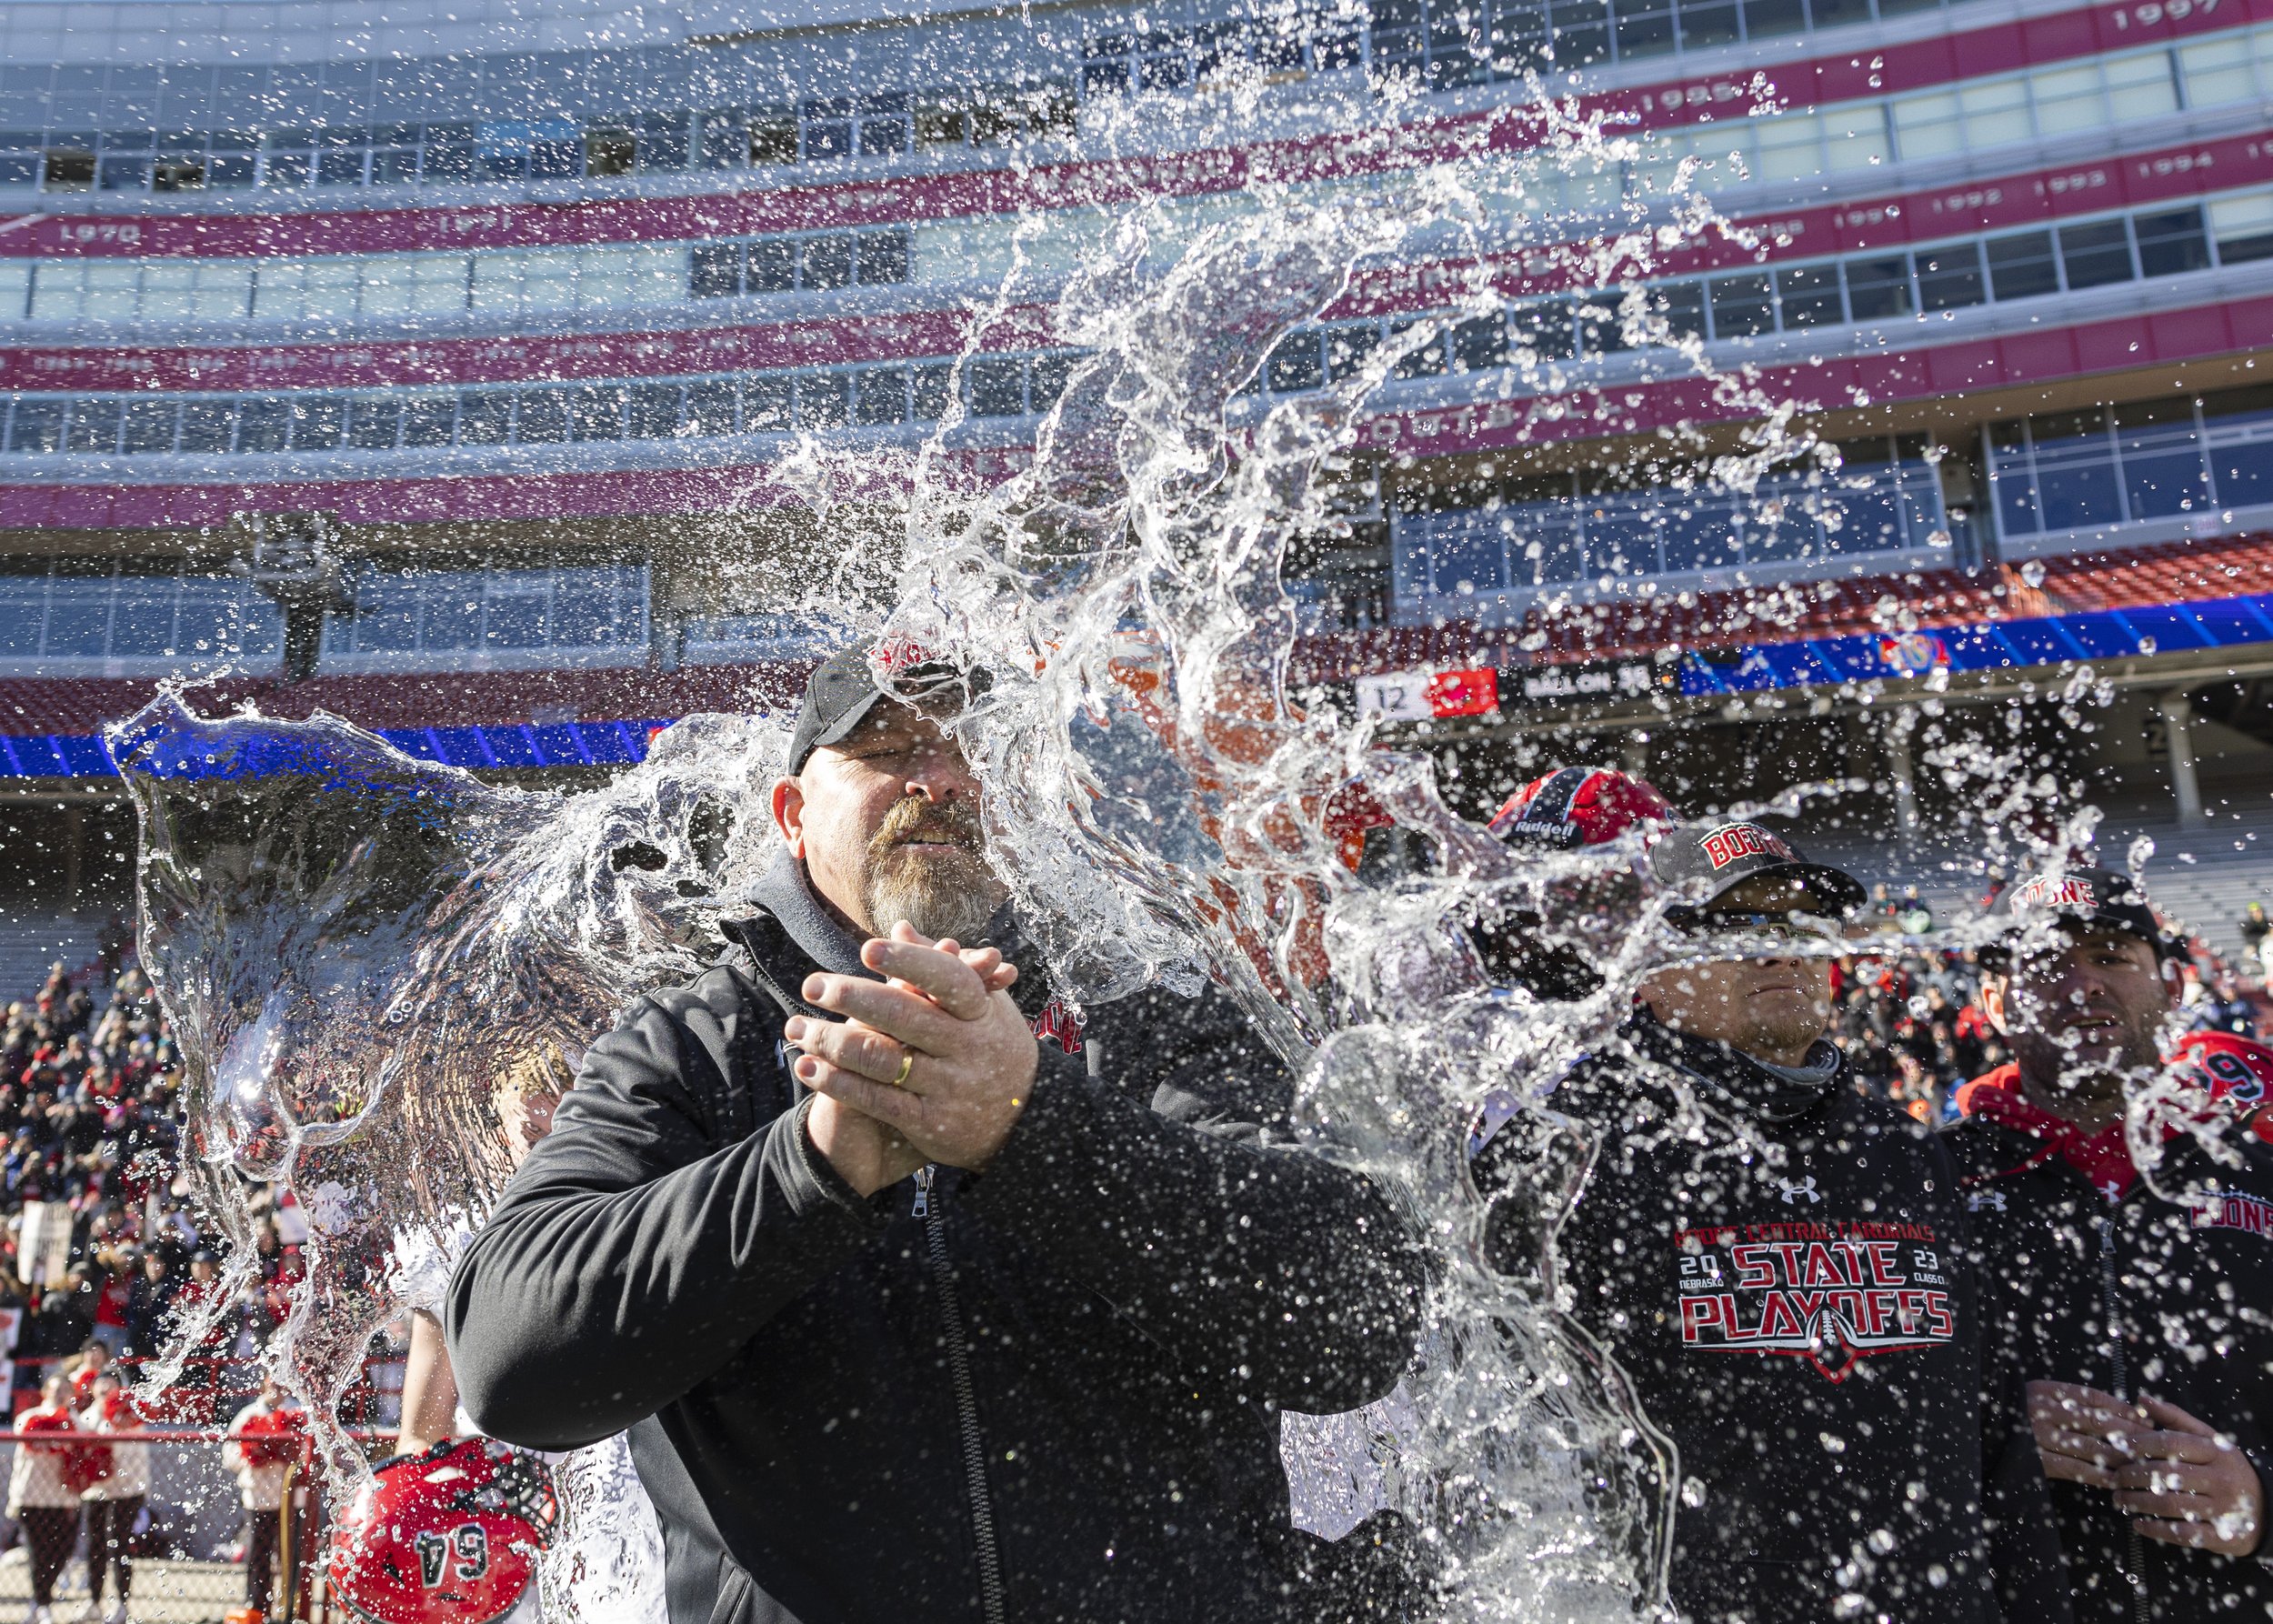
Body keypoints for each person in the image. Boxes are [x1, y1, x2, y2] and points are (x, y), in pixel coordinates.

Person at [444, 640, 1424, 1624]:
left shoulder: (1144, 1009)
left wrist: (1030, 1128)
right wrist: (809, 1168)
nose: (941, 778)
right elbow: (508, 1363)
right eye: (884, 746)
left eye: (972, 750)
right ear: (791, 816)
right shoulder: (686, 1052)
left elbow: (1357, 1320)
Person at [1468, 817, 2064, 1622]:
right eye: (1733, 922)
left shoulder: (1906, 1151)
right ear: (1646, 961)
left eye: (1797, 924)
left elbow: (1994, 1443)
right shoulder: (1567, 1148)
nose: (1780, 949)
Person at [1949, 866, 2273, 1619]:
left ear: (2174, 985)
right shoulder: (1923, 1188)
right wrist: (1991, 1431)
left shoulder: (2261, 1174)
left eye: (2112, 956)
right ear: (1996, 1002)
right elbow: (1852, 1422)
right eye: (2045, 965)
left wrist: (2263, 1504)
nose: (2082, 984)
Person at [6, 1372, 85, 1624]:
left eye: (65, 1389)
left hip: (64, 1497)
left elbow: (86, 1447)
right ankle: (41, 1604)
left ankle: (41, 1600)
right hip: (31, 1495)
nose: (60, 1393)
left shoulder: (76, 1421)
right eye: (55, 1388)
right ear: (45, 1392)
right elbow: (24, 1435)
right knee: (37, 1552)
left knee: (60, 1552)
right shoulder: (28, 1417)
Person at [222, 1378, 302, 1624]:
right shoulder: (248, 1414)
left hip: (290, 1495)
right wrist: (253, 1453)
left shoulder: (296, 1411)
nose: (276, 1388)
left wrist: (285, 1454)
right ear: (262, 1385)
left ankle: (291, 1608)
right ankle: (257, 1608)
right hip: (257, 1494)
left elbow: (308, 1451)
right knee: (259, 1554)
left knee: (292, 1554)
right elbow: (230, 1455)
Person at [80, 1371, 147, 1624]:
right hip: (96, 1492)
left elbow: (134, 1452)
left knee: (120, 1545)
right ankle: (93, 1601)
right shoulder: (86, 1417)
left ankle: (121, 1603)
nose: (106, 1389)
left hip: (126, 1491)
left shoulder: (130, 1415)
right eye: (101, 1385)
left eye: (111, 1385)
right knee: (95, 1547)